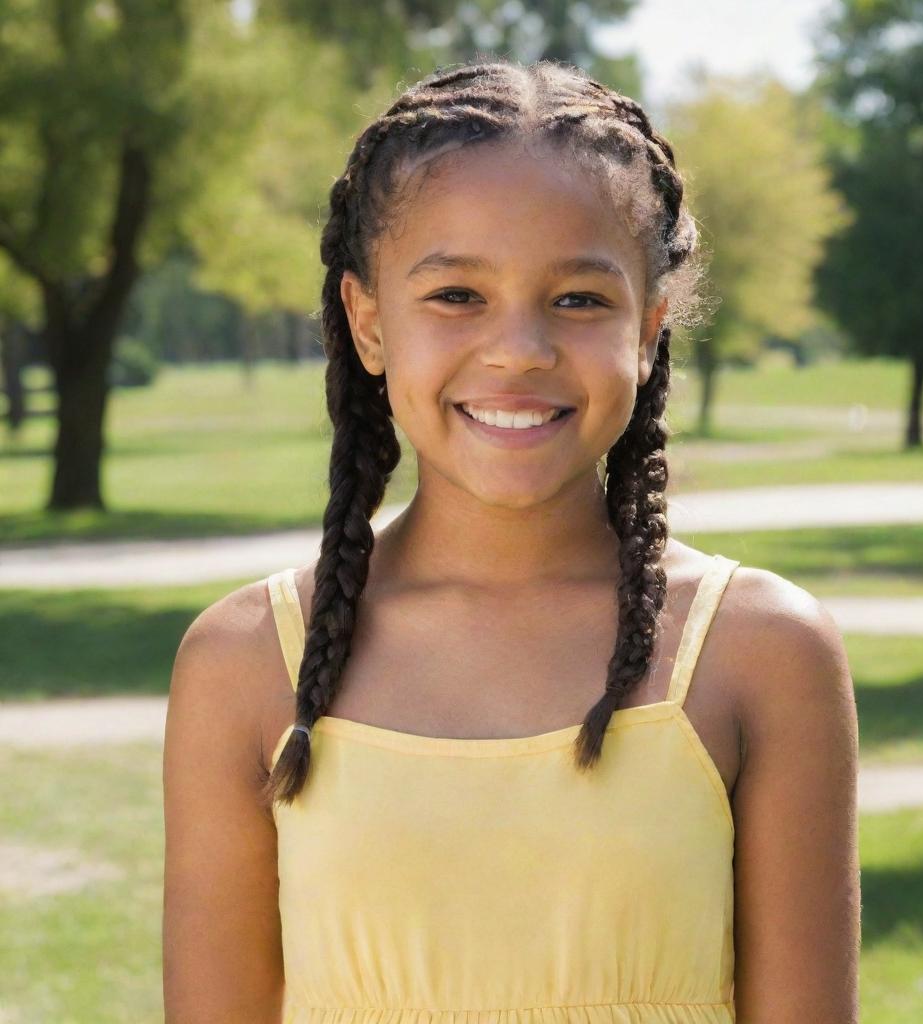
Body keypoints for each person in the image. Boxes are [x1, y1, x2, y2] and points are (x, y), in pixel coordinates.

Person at [163, 57, 860, 1024]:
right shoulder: (243, 665)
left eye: (579, 299)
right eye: (456, 295)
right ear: (368, 322)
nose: (520, 349)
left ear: (651, 328)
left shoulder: (762, 653)